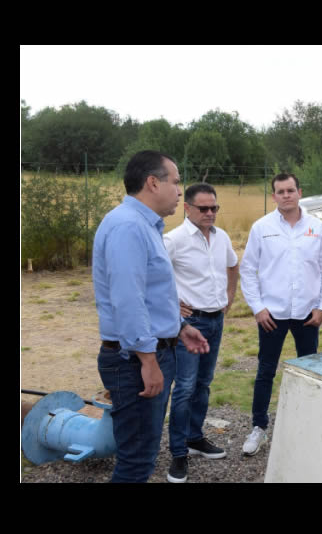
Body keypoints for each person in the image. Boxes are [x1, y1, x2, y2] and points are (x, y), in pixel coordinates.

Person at [93, 150, 209, 483]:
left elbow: (149, 294)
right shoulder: (128, 227)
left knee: (141, 455)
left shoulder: (143, 225)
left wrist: (179, 327)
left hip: (147, 352)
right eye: (175, 182)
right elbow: (128, 300)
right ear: (153, 183)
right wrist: (147, 359)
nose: (179, 191)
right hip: (134, 359)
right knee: (137, 461)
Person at [239, 173, 322, 455]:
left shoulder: (316, 228)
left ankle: (307, 425)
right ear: (274, 196)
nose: (286, 195)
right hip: (272, 314)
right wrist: (258, 308)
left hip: (308, 314)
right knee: (265, 371)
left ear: (299, 192)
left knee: (309, 371)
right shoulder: (261, 228)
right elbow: (248, 269)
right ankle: (259, 427)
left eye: (290, 190)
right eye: (280, 191)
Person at [163, 182, 240, 483]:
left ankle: (194, 437)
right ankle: (178, 452)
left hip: (215, 321)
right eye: (203, 208)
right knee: (184, 387)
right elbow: (152, 276)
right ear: (187, 208)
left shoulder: (221, 237)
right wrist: (173, 307)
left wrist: (229, 296)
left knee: (203, 384)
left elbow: (233, 266)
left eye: (214, 208)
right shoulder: (174, 240)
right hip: (189, 325)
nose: (210, 213)